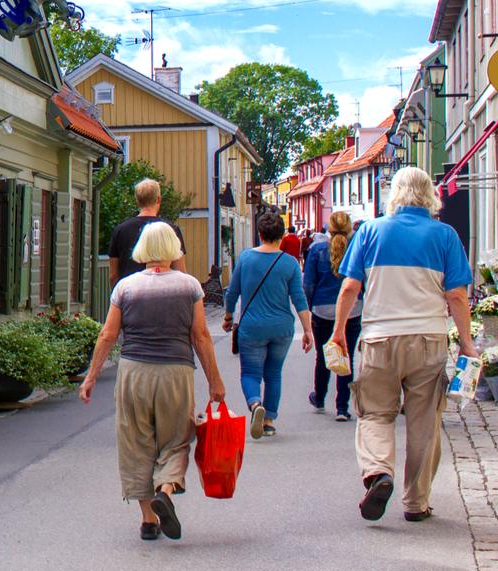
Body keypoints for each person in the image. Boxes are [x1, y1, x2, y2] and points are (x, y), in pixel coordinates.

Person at [331, 167, 478, 524]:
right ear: (430, 195)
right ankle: (416, 502)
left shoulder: (370, 232)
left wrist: (338, 333)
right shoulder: (445, 236)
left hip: (379, 339)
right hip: (428, 339)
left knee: (375, 413)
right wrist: (468, 345)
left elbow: (350, 287)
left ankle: (379, 472)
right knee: (424, 420)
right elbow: (457, 296)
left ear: (393, 194)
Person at [80, 221, 226, 541]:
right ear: (173, 248)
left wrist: (91, 377)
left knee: (137, 442)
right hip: (176, 371)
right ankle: (166, 489)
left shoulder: (126, 287)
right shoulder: (189, 287)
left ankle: (148, 520)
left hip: (134, 372)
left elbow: (108, 335)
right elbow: (200, 336)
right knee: (176, 439)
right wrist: (215, 382)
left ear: (142, 250)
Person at [221, 210, 313, 438]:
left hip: (252, 327)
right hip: (282, 328)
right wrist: (308, 330)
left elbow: (233, 291)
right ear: (281, 235)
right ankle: (269, 420)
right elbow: (299, 299)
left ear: (260, 234)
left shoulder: (246, 258)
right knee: (273, 374)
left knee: (251, 373)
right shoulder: (290, 263)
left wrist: (228, 316)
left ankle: (255, 405)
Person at [304, 213, 362, 420]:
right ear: (349, 229)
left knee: (323, 356)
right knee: (347, 356)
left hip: (323, 309)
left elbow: (308, 283)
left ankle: (319, 398)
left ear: (329, 230)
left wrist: (312, 306)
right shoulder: (357, 249)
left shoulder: (317, 250)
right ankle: (342, 407)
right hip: (352, 310)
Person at [107, 179, 169, 286]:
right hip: (163, 292)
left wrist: (118, 296)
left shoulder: (120, 230)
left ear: (137, 200)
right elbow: (180, 269)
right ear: (158, 199)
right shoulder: (170, 230)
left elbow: (113, 275)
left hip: (130, 293)